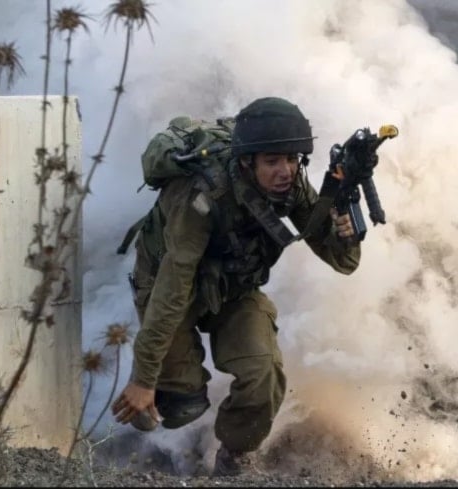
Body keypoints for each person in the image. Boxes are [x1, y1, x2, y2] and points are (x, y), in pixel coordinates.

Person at [111, 96, 361, 476]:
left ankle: (233, 461)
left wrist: (345, 232)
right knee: (182, 406)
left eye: (292, 160)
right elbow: (171, 289)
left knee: (264, 375)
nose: (285, 171)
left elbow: (343, 262)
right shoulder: (201, 196)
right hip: (172, 286)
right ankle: (150, 407)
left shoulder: (291, 187)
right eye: (273, 161)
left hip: (233, 290)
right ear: (248, 161)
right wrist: (143, 378)